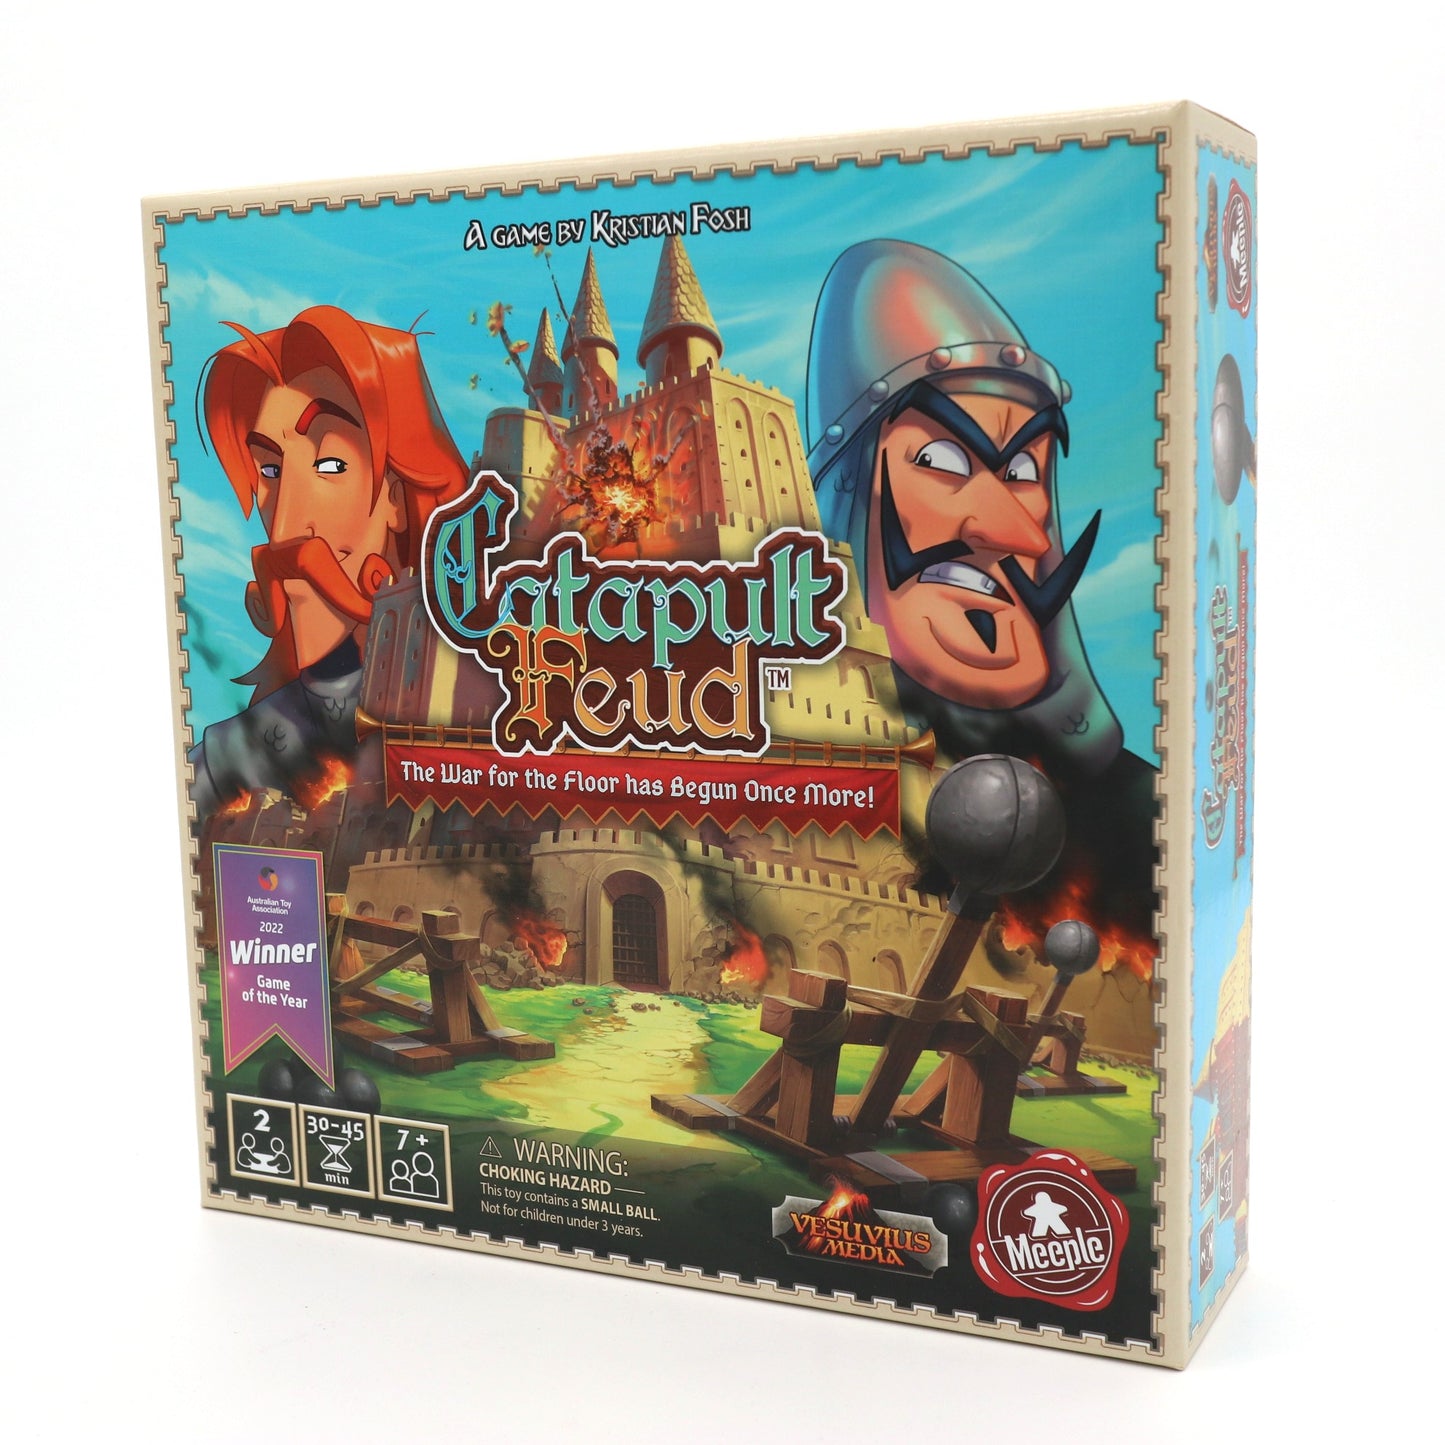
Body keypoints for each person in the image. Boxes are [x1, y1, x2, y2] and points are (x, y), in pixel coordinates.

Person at [805, 240, 1154, 941]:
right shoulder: (789, 770)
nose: (1013, 531)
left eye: (1023, 471)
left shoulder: (1145, 820)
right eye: (941, 459)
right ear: (850, 497)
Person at [189, 306, 469, 816]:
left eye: (331, 464)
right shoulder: (226, 756)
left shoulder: (474, 701)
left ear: (397, 494)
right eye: (270, 470)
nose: (285, 524)